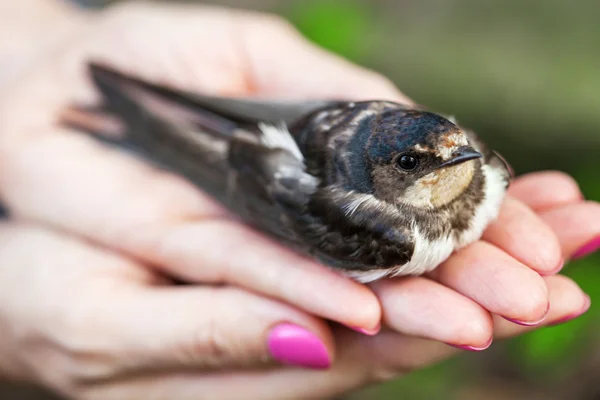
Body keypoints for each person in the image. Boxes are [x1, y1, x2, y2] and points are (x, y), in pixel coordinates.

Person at [0, 1, 598, 399]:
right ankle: (136, 121)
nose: (460, 161)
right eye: (418, 163)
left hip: (293, 141)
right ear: (386, 172)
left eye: (459, 146)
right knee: (171, 142)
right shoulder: (382, 231)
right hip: (268, 170)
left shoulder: (481, 171)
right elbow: (271, 166)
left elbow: (432, 149)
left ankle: (131, 117)